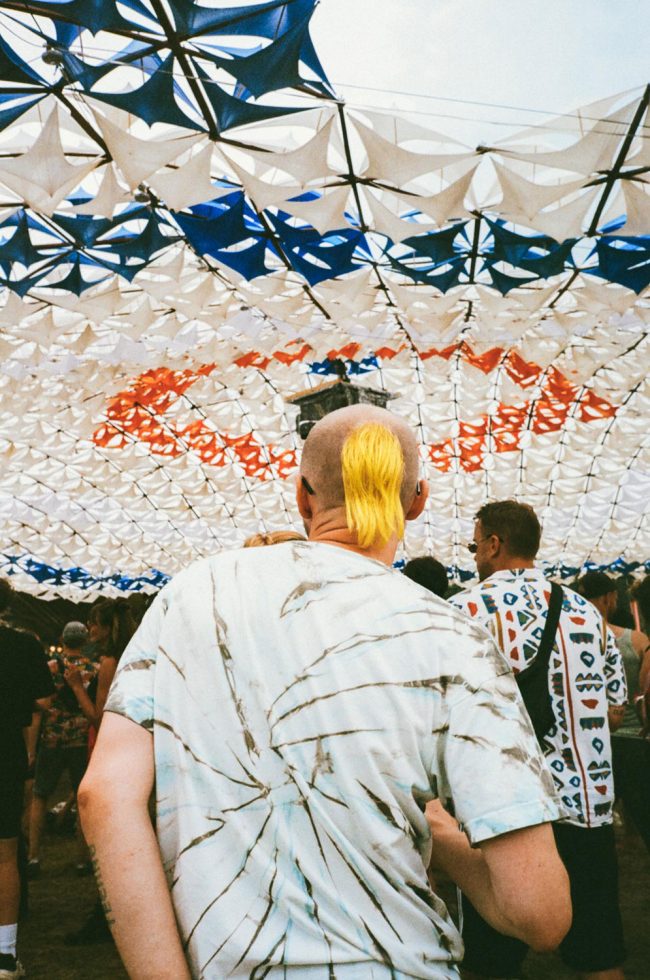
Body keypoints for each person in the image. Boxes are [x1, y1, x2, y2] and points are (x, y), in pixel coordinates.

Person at [79, 405, 571, 979]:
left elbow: (103, 796)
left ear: (303, 497)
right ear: (417, 500)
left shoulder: (191, 594)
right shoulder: (453, 638)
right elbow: (540, 914)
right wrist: (436, 828)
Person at [451, 500, 628, 980]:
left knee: (491, 962)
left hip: (506, 812)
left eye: (474, 545)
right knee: (600, 954)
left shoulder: (463, 611)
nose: (474, 555)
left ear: (494, 544)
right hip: (587, 806)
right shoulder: (587, 614)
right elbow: (615, 709)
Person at [63, 599, 136, 946]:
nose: (90, 628)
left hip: (105, 744)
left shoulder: (109, 662)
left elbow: (99, 715)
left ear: (108, 628)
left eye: (94, 623)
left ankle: (106, 912)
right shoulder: (131, 655)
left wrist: (77, 686)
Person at [0, 579, 54, 979]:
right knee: (4, 854)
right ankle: (4, 957)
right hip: (5, 751)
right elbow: (44, 699)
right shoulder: (23, 645)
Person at [577, 571, 650, 853]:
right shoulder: (637, 640)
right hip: (634, 738)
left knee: (597, 814)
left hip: (591, 742)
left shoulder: (572, 642)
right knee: (642, 807)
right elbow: (646, 686)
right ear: (609, 597)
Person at [27, 622, 98, 876]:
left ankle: (34, 857)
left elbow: (39, 707)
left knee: (40, 795)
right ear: (85, 641)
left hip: (52, 738)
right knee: (82, 798)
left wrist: (31, 747)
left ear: (62, 639)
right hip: (81, 738)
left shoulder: (51, 668)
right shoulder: (94, 669)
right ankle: (81, 859)